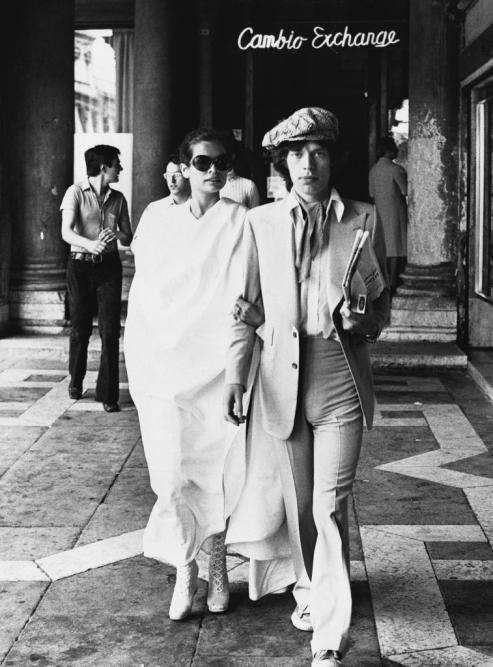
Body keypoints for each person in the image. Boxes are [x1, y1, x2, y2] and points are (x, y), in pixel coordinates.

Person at [223, 107, 390, 667]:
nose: (307, 163)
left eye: (318, 152)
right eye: (296, 153)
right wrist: (236, 376)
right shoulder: (260, 223)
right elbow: (243, 307)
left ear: (332, 158)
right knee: (299, 508)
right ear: (283, 162)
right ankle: (309, 588)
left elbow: (379, 311)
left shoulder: (363, 219)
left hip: (339, 375)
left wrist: (362, 319)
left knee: (329, 506)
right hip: (280, 380)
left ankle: (328, 639)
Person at [124, 128, 290, 623]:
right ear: (183, 167)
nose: (213, 171)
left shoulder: (241, 219)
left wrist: (238, 368)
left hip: (217, 367)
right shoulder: (157, 217)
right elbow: (146, 290)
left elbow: (243, 295)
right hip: (164, 367)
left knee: (217, 471)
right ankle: (184, 567)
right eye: (202, 162)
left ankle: (216, 565)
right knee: (171, 473)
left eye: (221, 162)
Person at [60, 144, 133, 413]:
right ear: (104, 166)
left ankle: (108, 394)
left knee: (110, 331)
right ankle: (76, 380)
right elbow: (66, 232)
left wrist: (118, 235)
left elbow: (128, 236)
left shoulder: (119, 199)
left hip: (109, 267)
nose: (120, 169)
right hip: (80, 266)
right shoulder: (75, 192)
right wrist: (91, 245)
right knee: (80, 329)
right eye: (116, 164)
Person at [369, 136, 408, 294]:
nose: (397, 150)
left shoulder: (373, 171)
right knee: (397, 247)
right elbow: (405, 191)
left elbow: (371, 194)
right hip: (396, 211)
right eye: (394, 147)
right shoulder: (396, 169)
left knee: (385, 246)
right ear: (388, 150)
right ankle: (393, 280)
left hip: (379, 211)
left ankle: (385, 280)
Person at [219, 130, 262, 208]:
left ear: (232, 156)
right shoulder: (207, 185)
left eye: (224, 156)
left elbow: (254, 214)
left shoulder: (248, 186)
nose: (219, 160)